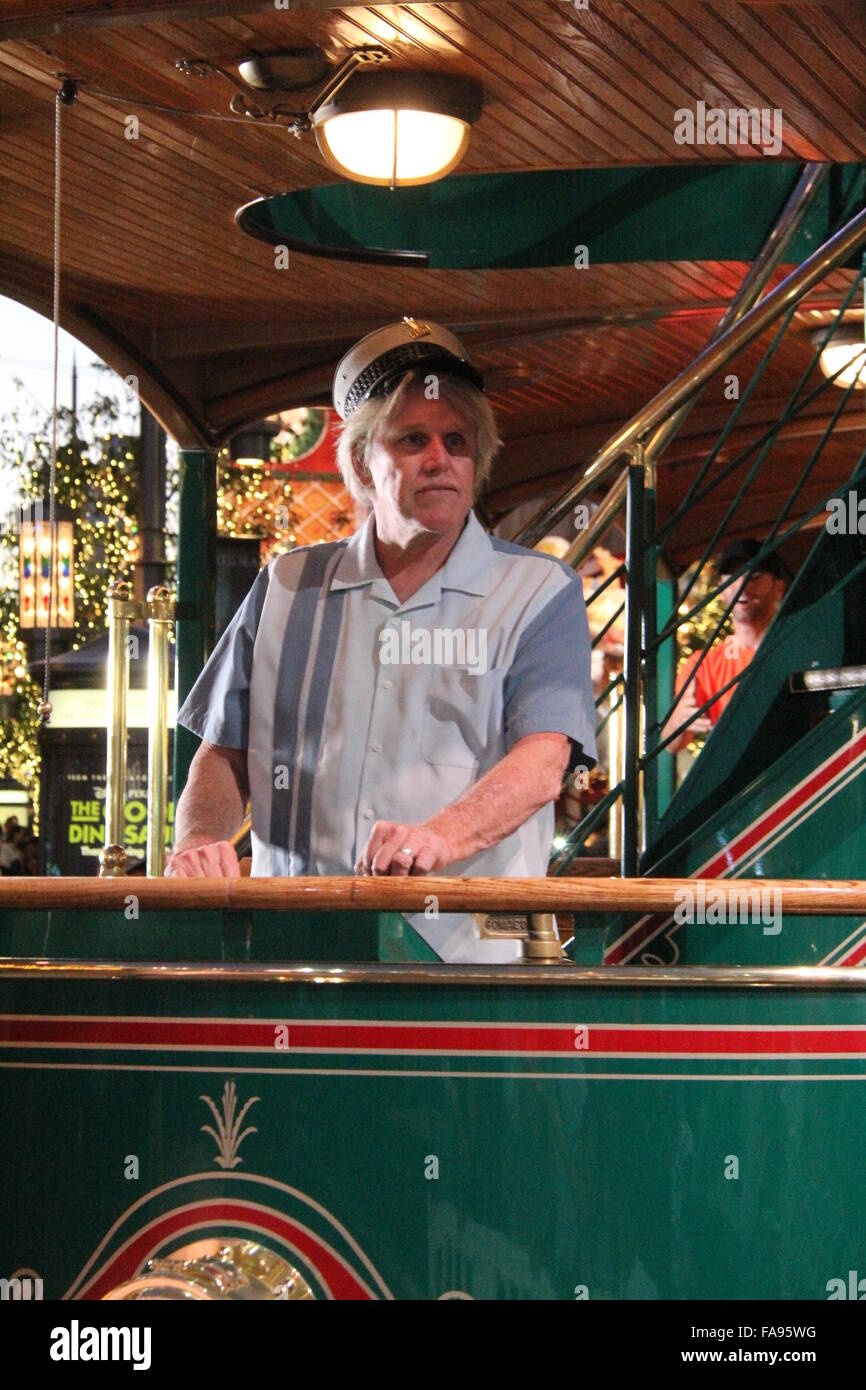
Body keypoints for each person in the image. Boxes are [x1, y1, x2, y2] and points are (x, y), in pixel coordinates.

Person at [167, 318, 597, 961]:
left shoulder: (538, 590)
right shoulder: (287, 584)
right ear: (365, 461)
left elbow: (543, 762)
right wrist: (199, 841)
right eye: (412, 439)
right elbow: (225, 755)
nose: (439, 459)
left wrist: (440, 837)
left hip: (467, 956)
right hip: (291, 950)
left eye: (457, 441)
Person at [664, 538, 787, 755]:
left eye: (754, 577)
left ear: (778, 588)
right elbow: (671, 744)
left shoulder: (794, 647)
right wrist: (679, 721)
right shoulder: (703, 664)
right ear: (721, 590)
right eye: (733, 578)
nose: (742, 587)